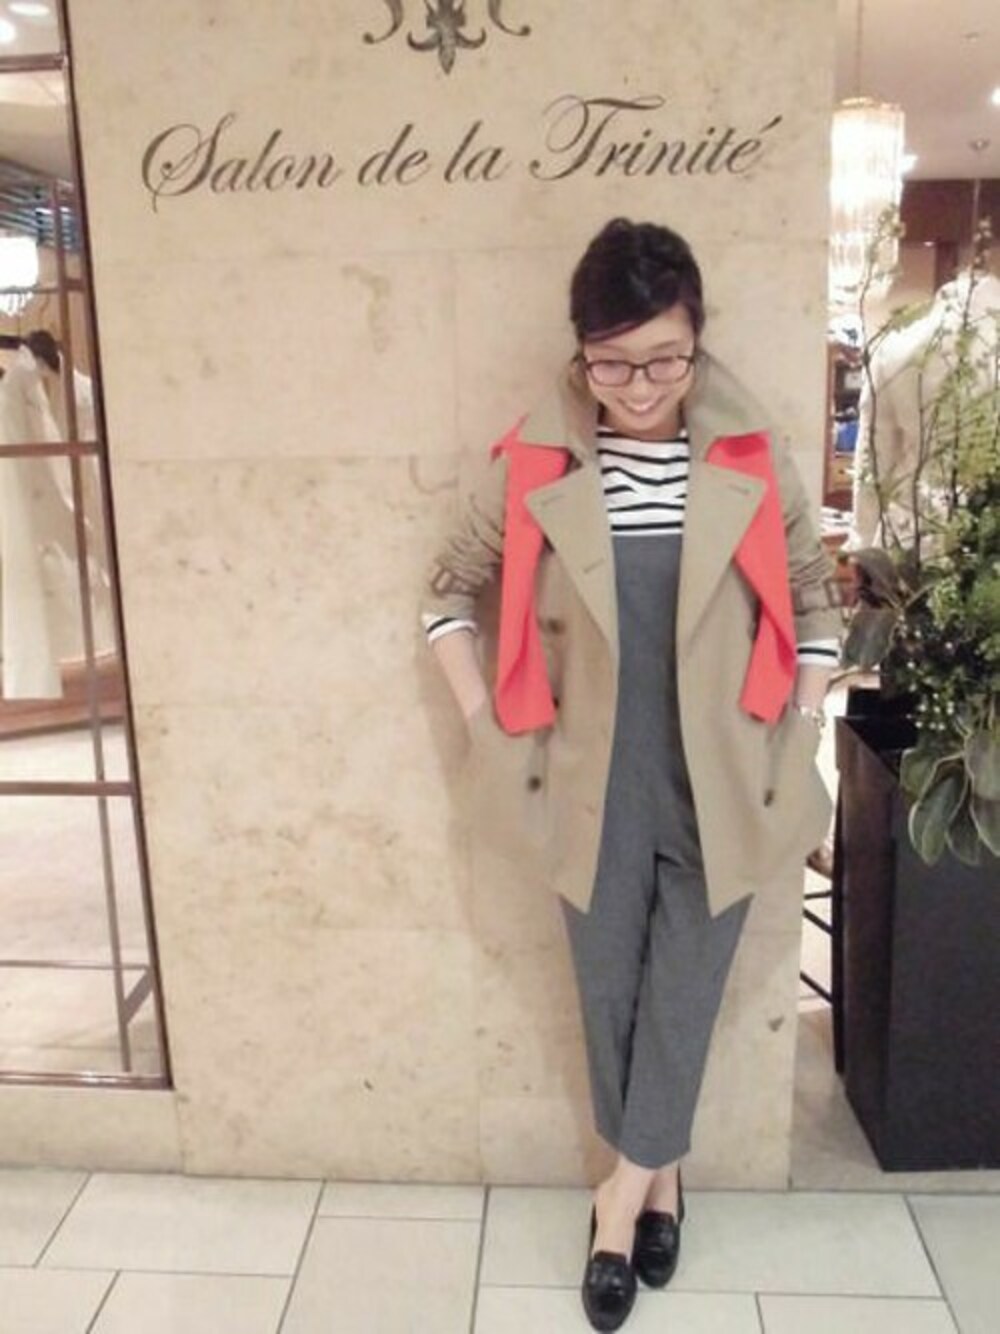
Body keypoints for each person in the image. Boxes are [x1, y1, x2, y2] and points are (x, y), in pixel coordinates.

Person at [422, 218, 841, 1331]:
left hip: (726, 776)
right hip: (586, 778)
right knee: (609, 994)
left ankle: (615, 1207)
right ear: (581, 349)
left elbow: (816, 600)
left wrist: (797, 730)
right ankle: (663, 1183)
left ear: (697, 340)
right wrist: (488, 727)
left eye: (665, 359)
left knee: (682, 995)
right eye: (612, 363)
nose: (641, 387)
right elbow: (446, 592)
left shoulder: (748, 453)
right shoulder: (538, 459)